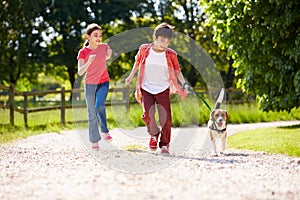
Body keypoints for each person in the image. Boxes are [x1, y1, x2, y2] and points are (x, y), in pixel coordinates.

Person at [125, 22, 188, 154]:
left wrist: (184, 84)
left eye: (167, 41)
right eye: (161, 40)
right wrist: (131, 77)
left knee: (166, 118)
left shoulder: (171, 54)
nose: (164, 44)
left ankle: (164, 145)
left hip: (163, 89)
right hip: (146, 88)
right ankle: (154, 135)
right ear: (155, 37)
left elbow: (177, 71)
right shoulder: (144, 49)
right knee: (148, 114)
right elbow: (137, 62)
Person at [77, 23, 113, 150]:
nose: (99, 38)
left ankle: (105, 131)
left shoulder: (104, 47)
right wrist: (89, 61)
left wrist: (109, 53)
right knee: (91, 113)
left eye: (100, 35)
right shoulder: (83, 52)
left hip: (103, 82)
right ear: (88, 37)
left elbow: (108, 56)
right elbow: (80, 71)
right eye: (95, 35)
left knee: (99, 105)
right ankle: (94, 141)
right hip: (90, 85)